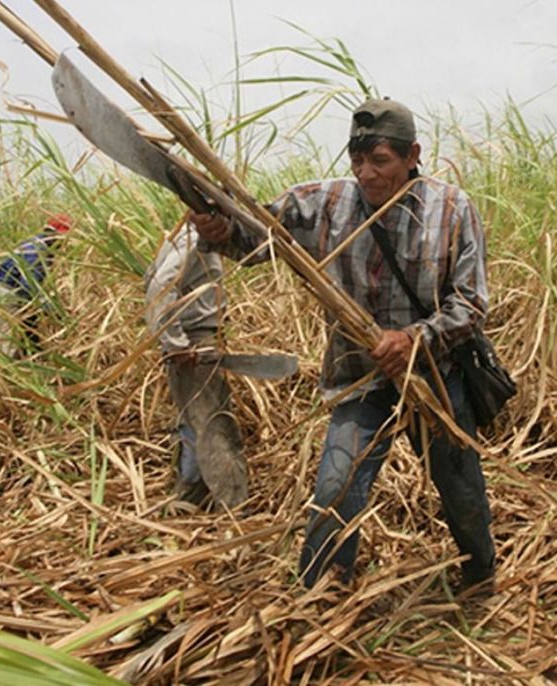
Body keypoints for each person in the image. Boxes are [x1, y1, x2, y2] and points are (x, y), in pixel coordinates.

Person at [194, 98, 496, 594]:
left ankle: (480, 576)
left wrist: (414, 339)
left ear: (412, 154)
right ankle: (321, 595)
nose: (367, 174)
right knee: (336, 484)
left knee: (461, 488)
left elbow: (471, 303)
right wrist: (221, 228)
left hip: (438, 379)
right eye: (358, 161)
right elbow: (255, 238)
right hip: (361, 377)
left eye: (381, 162)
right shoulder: (323, 203)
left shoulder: (452, 209)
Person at [144, 221, 247, 508]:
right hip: (194, 342)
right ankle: (234, 507)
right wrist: (176, 343)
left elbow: (154, 280)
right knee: (215, 426)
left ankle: (191, 494)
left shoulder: (183, 237)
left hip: (192, 341)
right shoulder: (193, 239)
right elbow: (160, 288)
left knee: (193, 420)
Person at [0, 214, 72, 357]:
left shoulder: (42, 246)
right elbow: (29, 286)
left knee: (30, 331)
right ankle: (10, 372)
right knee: (8, 343)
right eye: (62, 237)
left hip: (18, 294)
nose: (64, 243)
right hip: (7, 295)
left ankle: (33, 361)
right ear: (51, 233)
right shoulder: (35, 250)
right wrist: (52, 309)